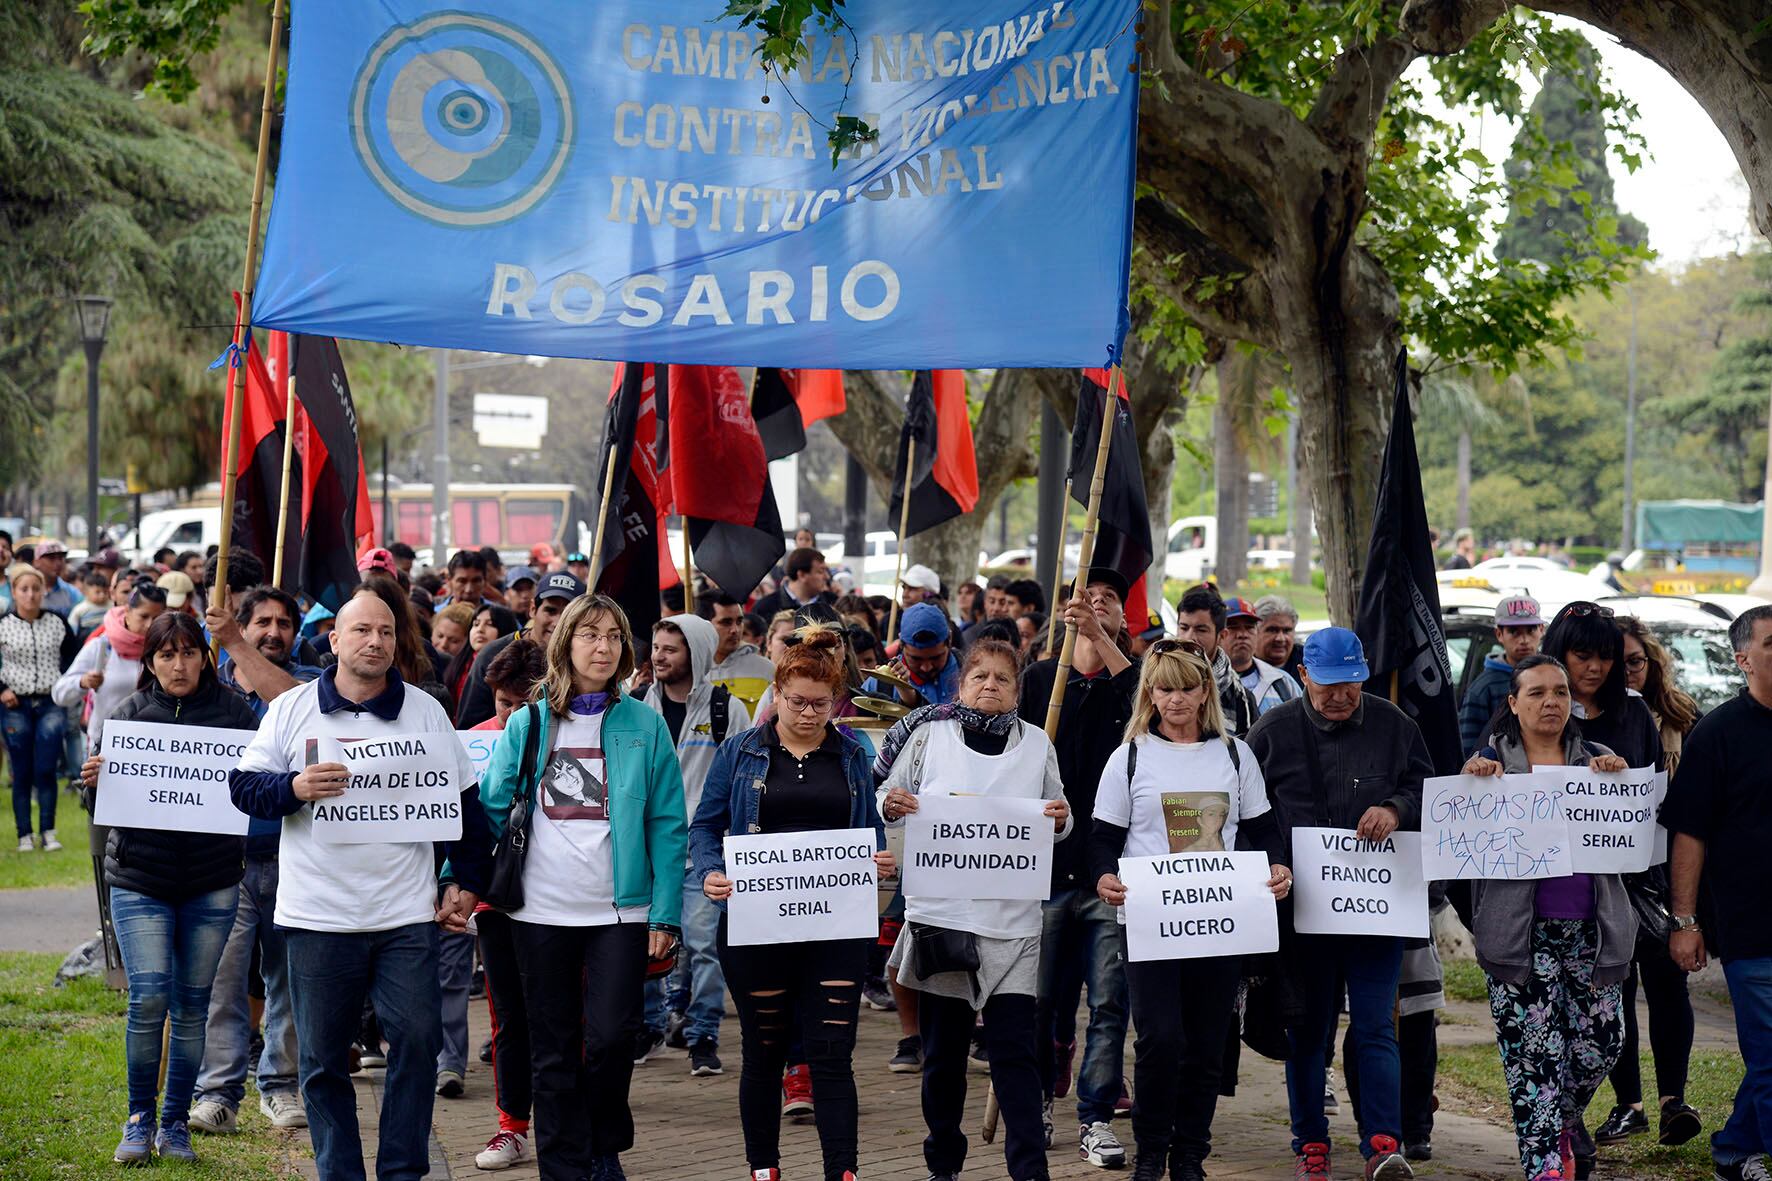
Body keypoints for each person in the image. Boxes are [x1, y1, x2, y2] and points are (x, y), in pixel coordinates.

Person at [227, 586, 492, 1180]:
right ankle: (339, 1172)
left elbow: (466, 810)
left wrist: (466, 881)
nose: (375, 641)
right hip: (319, 919)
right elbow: (243, 789)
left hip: (405, 917)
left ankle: (402, 1170)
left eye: (386, 632)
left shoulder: (425, 710)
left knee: (419, 1045)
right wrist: (292, 788)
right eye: (363, 631)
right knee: (321, 1062)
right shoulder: (292, 708)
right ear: (334, 640)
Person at [477, 593, 687, 1181]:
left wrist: (665, 916)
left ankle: (603, 1145)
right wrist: (463, 880)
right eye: (591, 635)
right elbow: (492, 807)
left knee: (613, 1040)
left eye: (615, 636)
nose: (604, 647)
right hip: (539, 913)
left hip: (622, 913)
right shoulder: (531, 721)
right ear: (565, 643)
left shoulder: (645, 724)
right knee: (551, 1048)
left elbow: (668, 825)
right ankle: (565, 1166)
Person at [691, 627, 894, 1181]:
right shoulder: (741, 751)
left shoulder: (853, 752)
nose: (808, 713)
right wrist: (712, 871)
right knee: (763, 1051)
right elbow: (707, 824)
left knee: (831, 1052)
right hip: (757, 926)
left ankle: (843, 1171)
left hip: (836, 928)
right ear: (776, 694)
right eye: (797, 701)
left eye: (821, 704)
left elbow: (871, 829)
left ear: (836, 703)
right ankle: (764, 1168)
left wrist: (880, 858)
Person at [1090, 641, 1291, 1181]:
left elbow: (1264, 829)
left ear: (1205, 692)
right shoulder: (1130, 756)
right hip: (1152, 922)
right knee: (1159, 1038)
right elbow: (1103, 839)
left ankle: (1190, 1156)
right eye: (1164, 689)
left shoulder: (1235, 755)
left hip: (1217, 923)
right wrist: (1105, 876)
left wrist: (1278, 868)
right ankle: (1151, 1150)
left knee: (1206, 1046)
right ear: (1149, 696)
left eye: (1186, 688)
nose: (1176, 699)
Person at [878, 638, 1072, 1181]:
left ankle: (1029, 1169)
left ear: (1017, 691)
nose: (990, 685)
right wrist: (891, 804)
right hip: (943, 922)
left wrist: (1059, 819)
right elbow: (887, 795)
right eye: (979, 676)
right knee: (943, 1056)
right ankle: (944, 1162)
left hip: (1012, 930)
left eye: (1002, 678)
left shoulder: (1036, 744)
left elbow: (1058, 815)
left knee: (1014, 1054)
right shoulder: (927, 736)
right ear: (961, 685)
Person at [1245, 627, 1431, 1181]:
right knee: (1309, 1030)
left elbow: (1428, 788)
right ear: (1304, 676)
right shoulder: (1272, 731)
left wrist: (1397, 808)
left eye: (1351, 684)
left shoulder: (1396, 726)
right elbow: (1249, 812)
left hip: (1378, 912)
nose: (1341, 697)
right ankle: (1311, 1141)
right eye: (1328, 686)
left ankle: (1383, 1142)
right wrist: (1273, 865)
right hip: (1302, 915)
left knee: (1376, 1025)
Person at [79, 612, 260, 1164]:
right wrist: (95, 784)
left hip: (211, 882)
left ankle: (174, 1122)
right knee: (149, 995)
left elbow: (254, 791)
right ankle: (138, 1118)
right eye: (166, 655)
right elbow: (101, 811)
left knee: (190, 1005)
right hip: (140, 880)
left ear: (205, 657)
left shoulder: (235, 716)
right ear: (150, 662)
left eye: (188, 653)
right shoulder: (129, 715)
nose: (178, 665)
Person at [1462, 655, 1638, 1181]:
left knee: (1601, 1043)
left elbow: (1631, 843)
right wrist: (1473, 782)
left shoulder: (1599, 760)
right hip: (1521, 938)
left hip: (1593, 932)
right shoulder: (1488, 769)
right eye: (1536, 693)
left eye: (1559, 692)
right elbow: (1462, 849)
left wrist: (1619, 779)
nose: (1551, 701)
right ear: (1512, 704)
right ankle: (1544, 1169)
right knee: (1534, 1063)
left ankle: (1564, 1119)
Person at [187, 585, 320, 1138]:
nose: (274, 631)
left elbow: (296, 707)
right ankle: (218, 1092)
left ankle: (281, 1086)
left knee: (288, 978)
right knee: (223, 980)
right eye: (260, 621)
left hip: (292, 857)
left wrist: (239, 645)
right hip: (225, 862)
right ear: (240, 625)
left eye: (284, 622)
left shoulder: (313, 686)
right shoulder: (206, 687)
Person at [1019, 568, 1139, 1166]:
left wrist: (1102, 637)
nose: (1094, 606)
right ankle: (1037, 1099)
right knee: (1041, 1000)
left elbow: (1143, 699)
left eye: (1108, 601)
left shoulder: (1132, 682)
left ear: (1123, 617)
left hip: (1111, 873)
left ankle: (1095, 1114)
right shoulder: (1043, 678)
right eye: (1084, 599)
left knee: (1111, 1002)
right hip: (1046, 870)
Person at [1663, 604, 1772, 1181]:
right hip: (1752, 925)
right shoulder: (1718, 733)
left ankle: (1734, 1148)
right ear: (1743, 659)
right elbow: (1690, 834)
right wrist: (1684, 921)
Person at [1593, 614, 1704, 1149]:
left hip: (1665, 876)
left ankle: (1672, 1101)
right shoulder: (1592, 721)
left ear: (1651, 662)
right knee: (1616, 991)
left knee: (1668, 986)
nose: (1625, 671)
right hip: (1611, 876)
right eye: (1617, 662)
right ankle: (1629, 1103)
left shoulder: (1680, 719)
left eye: (1635, 661)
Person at [638, 613, 751, 1077]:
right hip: (646, 849)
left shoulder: (728, 710)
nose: (659, 656)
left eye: (671, 649)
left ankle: (703, 1033)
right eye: (657, 646)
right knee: (642, 944)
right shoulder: (634, 706)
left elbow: (744, 775)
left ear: (698, 655)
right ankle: (649, 1025)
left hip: (706, 850)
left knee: (704, 944)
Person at [465, 637, 549, 1171]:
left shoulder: (566, 737)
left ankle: (573, 1122)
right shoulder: (471, 743)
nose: (514, 715)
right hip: (499, 900)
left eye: (526, 704)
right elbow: (461, 825)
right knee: (508, 1018)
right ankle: (511, 1127)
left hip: (561, 901)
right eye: (504, 705)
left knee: (567, 1016)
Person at [1, 564, 78, 850]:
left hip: (50, 702)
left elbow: (72, 657)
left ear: (43, 590)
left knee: (46, 768)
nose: (31, 595)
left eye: (36, 589)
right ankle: (24, 834)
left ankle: (48, 831)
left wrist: (65, 684)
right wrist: (2, 689)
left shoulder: (57, 622)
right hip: (15, 703)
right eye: (24, 589)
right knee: (21, 771)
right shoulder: (4, 624)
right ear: (14, 592)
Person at [454, 572, 582, 728]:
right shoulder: (492, 654)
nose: (558, 622)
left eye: (567, 613)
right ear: (533, 609)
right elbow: (470, 728)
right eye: (550, 610)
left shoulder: (583, 660)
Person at [54, 582, 168, 749]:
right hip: (105, 747)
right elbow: (60, 693)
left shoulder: (166, 650)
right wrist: (83, 682)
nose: (150, 625)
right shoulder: (102, 646)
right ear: (127, 612)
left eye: (157, 618)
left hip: (152, 747)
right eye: (144, 616)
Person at [1460, 596, 1546, 756]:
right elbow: (1469, 752)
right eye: (1514, 632)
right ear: (1499, 634)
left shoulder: (1554, 679)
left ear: (1542, 630)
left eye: (1531, 630)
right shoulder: (1483, 688)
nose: (1524, 640)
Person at [1174, 586, 1259, 737]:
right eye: (1184, 627)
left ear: (1221, 635)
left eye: (1201, 630)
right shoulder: (1154, 679)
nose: (1189, 637)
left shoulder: (1239, 697)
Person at [866, 601, 959, 708]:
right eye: (916, 659)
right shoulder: (880, 684)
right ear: (900, 643)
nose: (926, 668)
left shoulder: (971, 674)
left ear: (950, 639)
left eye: (936, 658)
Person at [1221, 595, 1300, 715]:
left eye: (1249, 628)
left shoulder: (1284, 682)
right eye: (1233, 628)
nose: (1242, 634)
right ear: (1218, 634)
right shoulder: (1203, 682)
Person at [703, 590, 775, 712]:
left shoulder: (767, 669)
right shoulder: (691, 671)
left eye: (739, 621)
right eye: (726, 622)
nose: (735, 630)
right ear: (704, 624)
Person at [446, 603, 519, 716]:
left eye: (489, 624)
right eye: (476, 624)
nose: (480, 629)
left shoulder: (513, 668)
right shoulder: (457, 664)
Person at [753, 547, 835, 620]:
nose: (827, 577)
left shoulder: (833, 603)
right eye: (820, 571)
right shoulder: (765, 607)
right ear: (802, 575)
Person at [34, 540, 80, 617]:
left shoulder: (73, 593)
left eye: (60, 558)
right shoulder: (27, 591)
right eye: (51, 558)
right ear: (37, 562)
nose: (58, 563)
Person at [69, 565, 113, 640]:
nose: (102, 595)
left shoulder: (111, 605)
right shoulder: (80, 608)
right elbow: (72, 625)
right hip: (87, 638)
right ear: (86, 592)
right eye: (98, 592)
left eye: (105, 592)